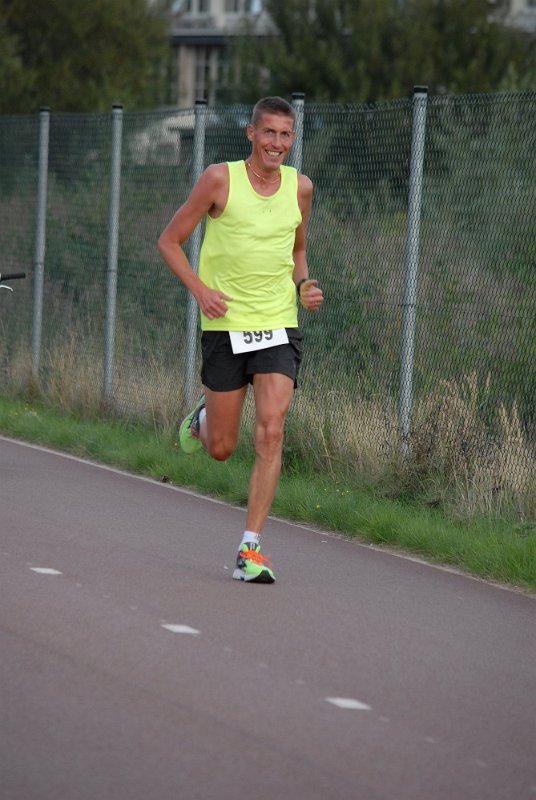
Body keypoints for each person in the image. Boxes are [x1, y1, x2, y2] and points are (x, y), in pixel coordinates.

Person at [158, 96, 323, 584]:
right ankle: (204, 419)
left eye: (285, 135)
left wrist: (303, 286)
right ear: (251, 133)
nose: (277, 143)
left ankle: (250, 549)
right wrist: (200, 290)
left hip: (277, 323)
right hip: (225, 325)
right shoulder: (219, 179)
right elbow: (169, 241)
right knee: (222, 448)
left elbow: (298, 249)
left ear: (293, 139)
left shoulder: (301, 188)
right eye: (269, 132)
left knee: (271, 430)